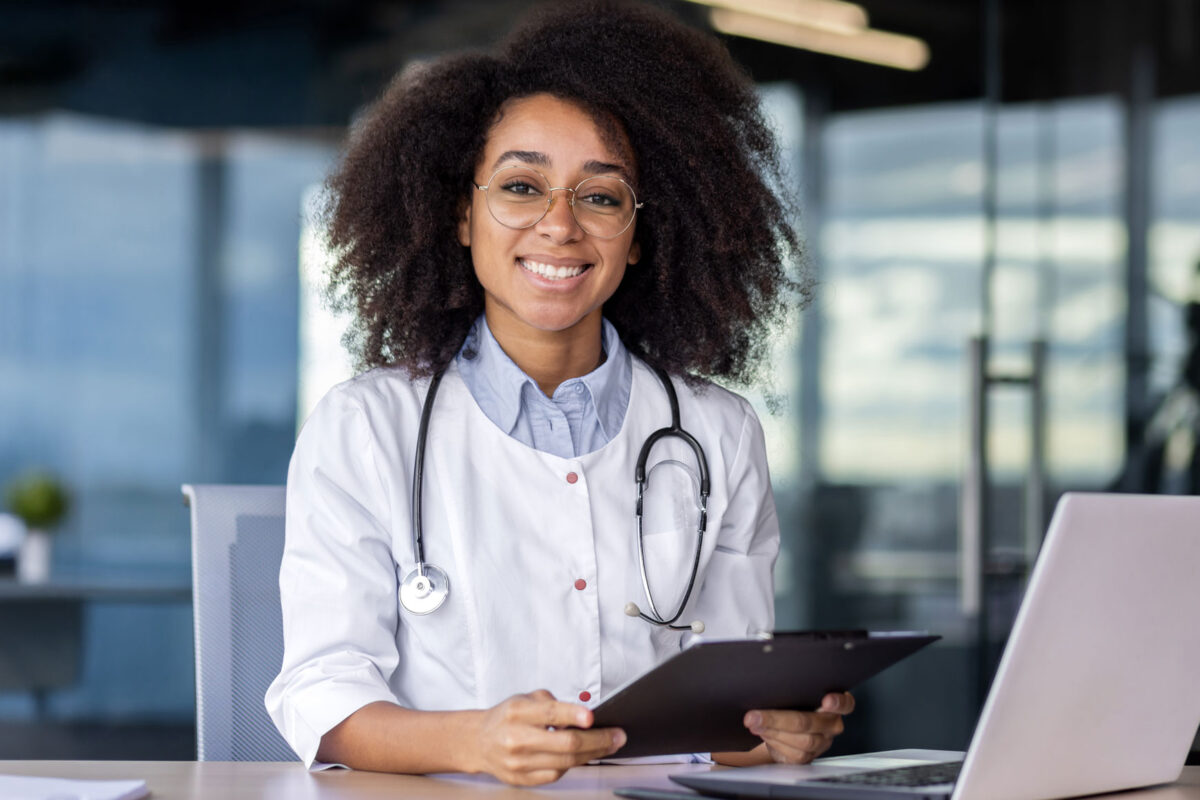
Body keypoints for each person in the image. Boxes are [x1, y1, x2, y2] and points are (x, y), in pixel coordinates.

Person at [265, 0, 853, 786]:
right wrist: (473, 743)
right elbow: (321, 696)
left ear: (641, 233)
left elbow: (723, 721)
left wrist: (777, 731)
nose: (559, 225)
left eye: (601, 196)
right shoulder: (367, 427)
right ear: (463, 216)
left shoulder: (718, 433)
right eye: (520, 187)